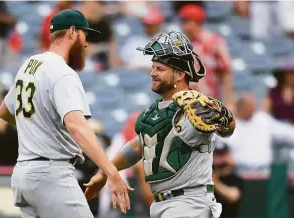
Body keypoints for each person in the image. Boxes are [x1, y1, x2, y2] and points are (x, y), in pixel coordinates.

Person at [84, 31, 236, 218]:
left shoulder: (195, 105)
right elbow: (138, 146)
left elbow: (227, 128)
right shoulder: (152, 111)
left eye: (160, 69)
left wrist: (223, 117)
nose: (153, 73)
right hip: (161, 204)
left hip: (189, 202)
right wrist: (104, 173)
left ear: (180, 74)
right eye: (153, 67)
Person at [0, 9, 133, 218]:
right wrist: (111, 171)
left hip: (23, 175)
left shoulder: (29, 65)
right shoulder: (61, 71)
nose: (86, 42)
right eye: (84, 34)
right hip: (52, 175)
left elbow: (5, 112)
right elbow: (77, 126)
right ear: (72, 32)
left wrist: (38, 127)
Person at [224, 93, 294, 171]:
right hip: (239, 170)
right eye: (249, 106)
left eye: (253, 105)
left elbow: (285, 132)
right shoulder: (229, 124)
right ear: (240, 107)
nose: (254, 108)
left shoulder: (262, 119)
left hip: (264, 170)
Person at [179, 4, 232, 106]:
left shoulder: (213, 41)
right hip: (185, 101)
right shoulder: (180, 44)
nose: (184, 25)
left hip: (209, 100)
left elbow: (226, 71)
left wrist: (228, 100)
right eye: (182, 21)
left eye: (186, 21)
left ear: (197, 21)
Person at [213, 141, 243, 218]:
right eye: (217, 155)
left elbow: (233, 196)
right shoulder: (206, 174)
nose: (220, 159)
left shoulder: (234, 177)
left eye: (223, 154)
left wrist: (215, 181)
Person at [263, 58, 294, 124]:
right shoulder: (273, 92)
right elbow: (264, 112)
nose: (292, 76)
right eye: (290, 73)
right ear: (283, 75)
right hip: (277, 128)